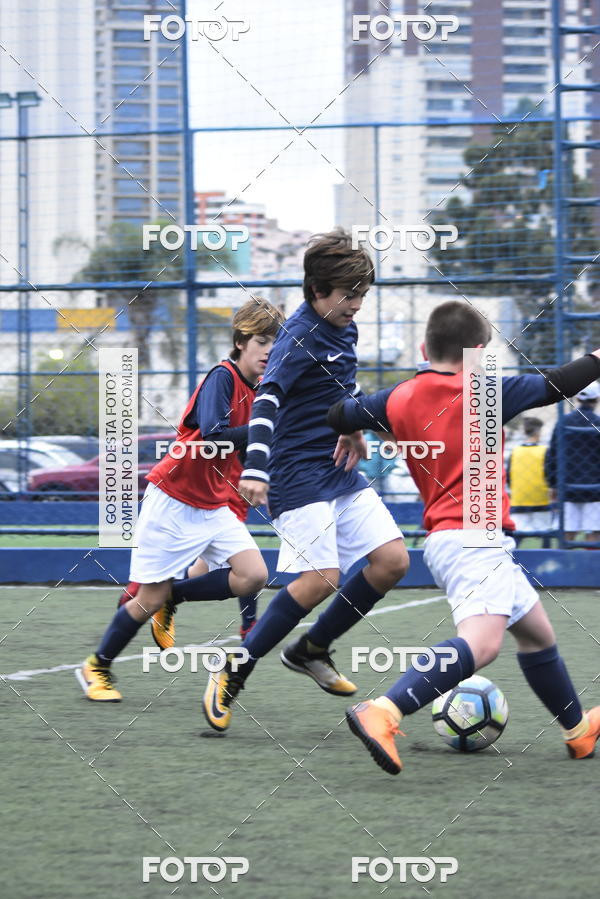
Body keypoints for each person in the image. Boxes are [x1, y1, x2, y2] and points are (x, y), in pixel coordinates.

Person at [326, 300, 600, 773]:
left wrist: (352, 431)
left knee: (537, 636)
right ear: (476, 352)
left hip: (458, 538)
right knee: (484, 643)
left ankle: (577, 731)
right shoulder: (485, 389)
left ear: (423, 347)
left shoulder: (398, 397)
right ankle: (384, 711)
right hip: (473, 537)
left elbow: (338, 412)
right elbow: (560, 383)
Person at [202, 228, 409, 732]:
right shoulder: (298, 336)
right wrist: (254, 466)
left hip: (335, 466)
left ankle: (311, 649)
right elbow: (269, 396)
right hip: (293, 471)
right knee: (322, 578)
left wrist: (354, 425)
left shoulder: (344, 326)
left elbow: (341, 387)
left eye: (362, 295)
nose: (357, 305)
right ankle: (235, 667)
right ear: (317, 291)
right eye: (348, 295)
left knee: (392, 562)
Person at [81, 297, 284, 701]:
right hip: (172, 500)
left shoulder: (261, 391)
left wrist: (265, 479)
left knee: (254, 575)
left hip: (212, 503)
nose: (269, 352)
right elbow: (213, 435)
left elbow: (244, 451)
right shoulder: (221, 377)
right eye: (262, 341)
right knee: (146, 597)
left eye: (276, 345)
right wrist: (264, 431)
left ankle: (173, 596)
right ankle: (97, 667)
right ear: (242, 340)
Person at [545, 382, 600, 545]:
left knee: (567, 532)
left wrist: (553, 484)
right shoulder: (598, 422)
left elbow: (552, 455)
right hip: (596, 486)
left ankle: (564, 565)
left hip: (567, 484)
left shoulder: (564, 422)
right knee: (595, 532)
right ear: (596, 399)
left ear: (577, 398)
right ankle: (592, 569)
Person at [507, 416, 552, 545]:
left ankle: (514, 562)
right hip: (540, 499)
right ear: (538, 432)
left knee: (516, 538)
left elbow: (509, 477)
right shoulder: (544, 451)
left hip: (519, 500)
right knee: (546, 537)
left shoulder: (515, 452)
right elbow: (549, 474)